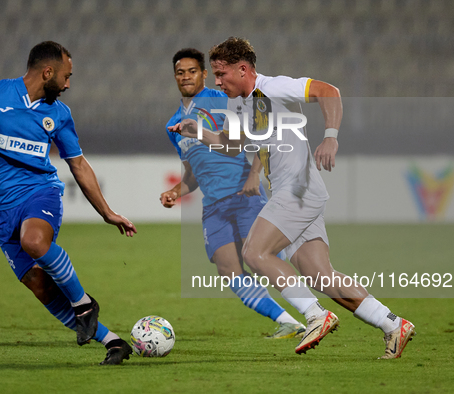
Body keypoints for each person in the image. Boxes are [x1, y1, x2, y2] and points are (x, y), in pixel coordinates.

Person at [172, 37, 415, 359]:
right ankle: (393, 324)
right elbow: (233, 145)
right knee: (320, 275)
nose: (217, 81)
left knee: (255, 253)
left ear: (243, 69)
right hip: (296, 192)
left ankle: (315, 316)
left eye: (221, 73)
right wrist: (198, 132)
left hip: (297, 189)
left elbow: (329, 91)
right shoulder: (239, 104)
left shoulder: (275, 87)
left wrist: (330, 137)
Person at [0, 41, 136, 365]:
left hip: (39, 193)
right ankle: (113, 342)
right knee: (40, 287)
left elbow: (79, 165)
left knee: (34, 241)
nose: (68, 84)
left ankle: (84, 304)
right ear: (48, 72)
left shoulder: (59, 114)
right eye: (67, 76)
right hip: (0, 211)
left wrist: (107, 213)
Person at [161, 48, 305, 339]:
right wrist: (176, 191)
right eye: (180, 72)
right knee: (229, 270)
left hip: (243, 196)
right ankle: (289, 321)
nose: (186, 76)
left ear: (204, 74)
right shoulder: (173, 124)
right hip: (213, 205)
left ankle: (315, 312)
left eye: (192, 71)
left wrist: (255, 172)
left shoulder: (223, 99)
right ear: (174, 77)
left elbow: (260, 132)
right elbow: (193, 174)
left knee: (263, 260)